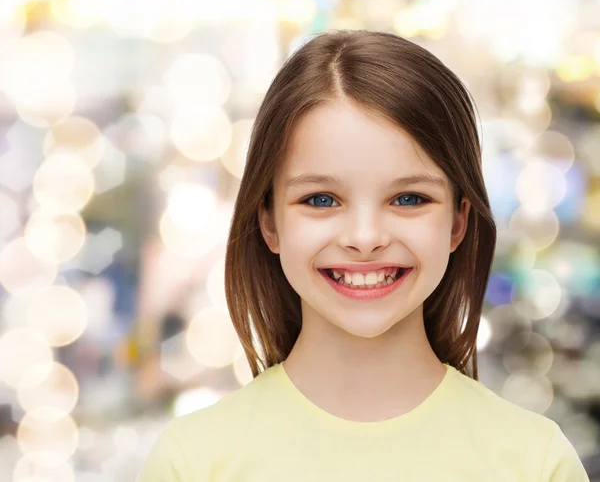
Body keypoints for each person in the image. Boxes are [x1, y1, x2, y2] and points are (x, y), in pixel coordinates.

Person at [135, 29, 590, 481]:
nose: (365, 237)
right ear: (269, 222)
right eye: (320, 199)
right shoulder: (192, 462)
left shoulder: (535, 462)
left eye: (409, 199)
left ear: (458, 222)